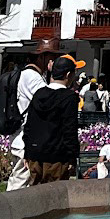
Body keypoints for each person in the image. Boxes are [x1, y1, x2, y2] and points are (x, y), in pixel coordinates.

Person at [5, 41, 58, 191]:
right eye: (52, 57)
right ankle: (9, 211)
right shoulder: (32, 77)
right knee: (21, 181)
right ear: (43, 58)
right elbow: (48, 103)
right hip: (24, 139)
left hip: (20, 137)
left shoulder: (29, 74)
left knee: (21, 179)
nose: (53, 61)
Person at [24, 54, 81, 184]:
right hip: (57, 157)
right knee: (56, 198)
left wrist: (27, 153)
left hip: (35, 155)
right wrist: (72, 157)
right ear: (68, 74)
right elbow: (69, 129)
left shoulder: (39, 94)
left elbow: (29, 125)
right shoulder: (69, 97)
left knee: (35, 195)